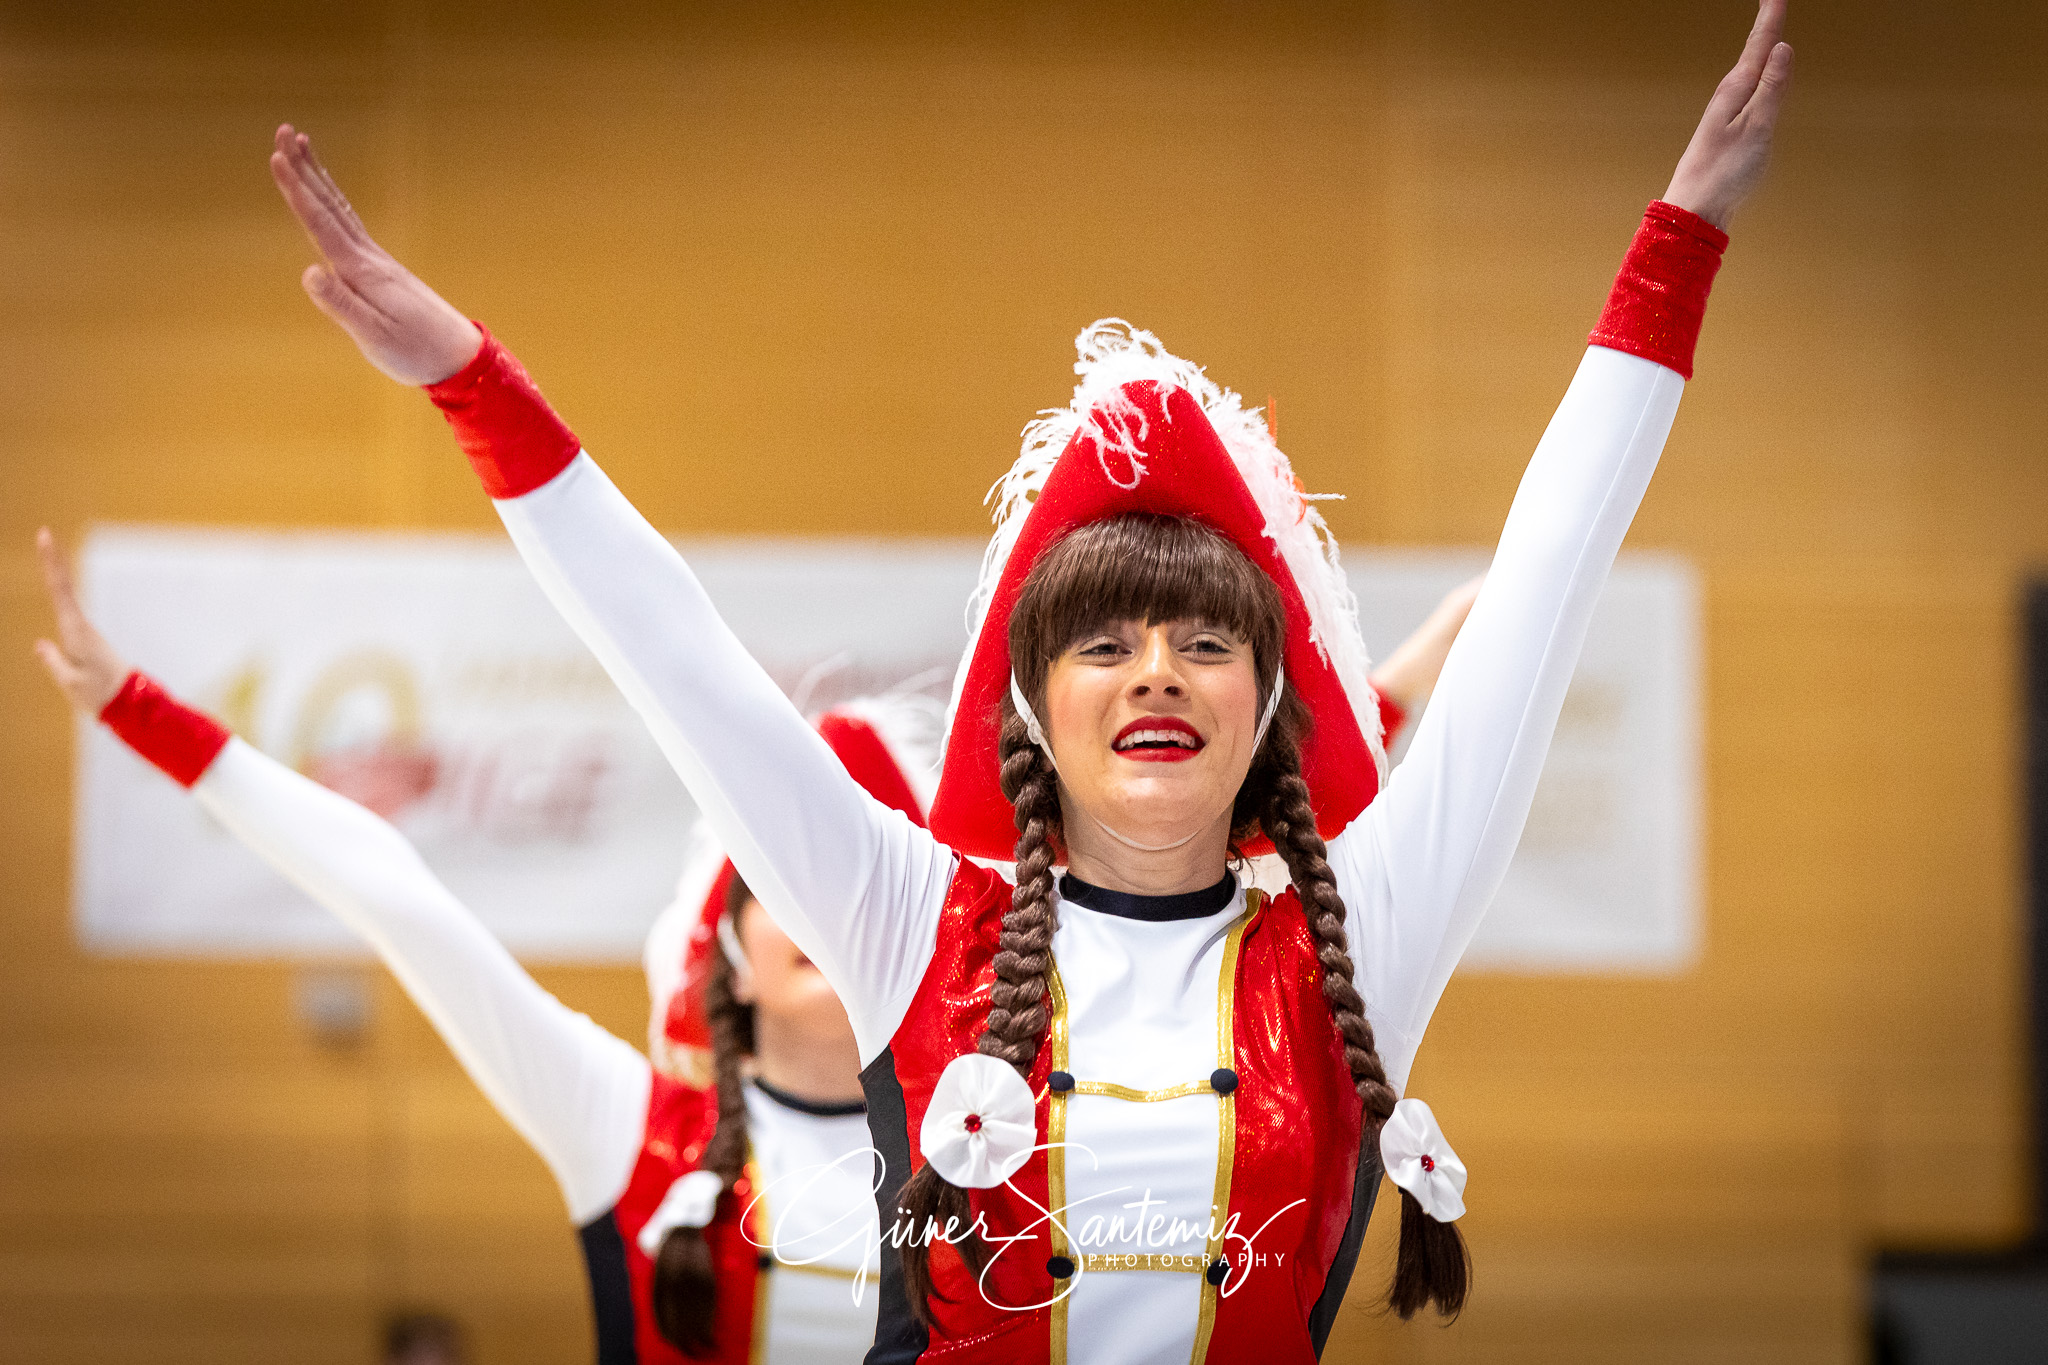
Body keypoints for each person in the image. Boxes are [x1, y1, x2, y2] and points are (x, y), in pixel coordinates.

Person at [266, 5, 1789, 1359]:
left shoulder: (1368, 936)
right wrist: (475, 385)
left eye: (1207, 645)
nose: (1159, 676)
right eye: (1105, 645)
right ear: (1030, 711)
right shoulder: (903, 915)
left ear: (1266, 708)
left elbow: (1548, 584)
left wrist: (1682, 240)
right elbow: (671, 651)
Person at [31, 527, 910, 1365]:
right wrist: (141, 710)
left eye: (846, 891)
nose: (819, 913)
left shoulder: (977, 1147)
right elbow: (394, 893)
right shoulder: (627, 1125)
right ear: (728, 957)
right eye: (783, 889)